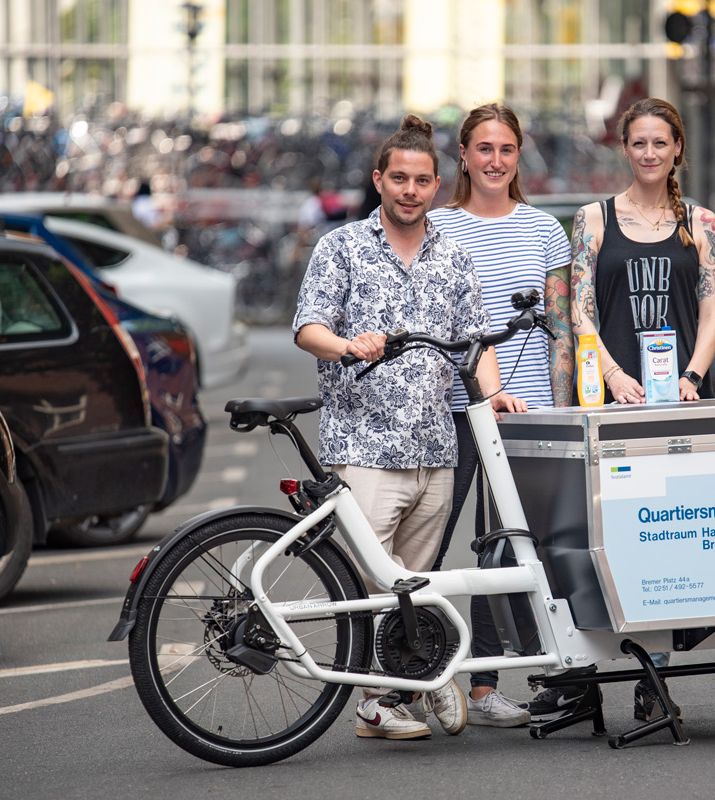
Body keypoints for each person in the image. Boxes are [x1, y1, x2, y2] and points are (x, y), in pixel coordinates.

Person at [293, 114, 525, 741]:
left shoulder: (452, 256)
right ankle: (385, 698)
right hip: (363, 448)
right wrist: (345, 345)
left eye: (422, 180)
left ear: (435, 183)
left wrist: (497, 394)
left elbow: (474, 343)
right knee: (376, 584)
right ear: (379, 180)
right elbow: (307, 327)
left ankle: (389, 700)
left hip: (434, 450)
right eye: (399, 178)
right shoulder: (341, 247)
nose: (410, 190)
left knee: (410, 588)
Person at [568, 97, 715, 721]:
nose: (650, 153)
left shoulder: (702, 223)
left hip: (681, 403)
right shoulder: (593, 219)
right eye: (639, 144)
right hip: (616, 405)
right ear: (624, 149)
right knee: (611, 540)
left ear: (677, 148)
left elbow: (711, 311)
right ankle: (587, 676)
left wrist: (692, 375)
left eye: (661, 143)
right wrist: (612, 374)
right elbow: (579, 310)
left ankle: (652, 674)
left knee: (674, 543)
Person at [426, 103, 572, 727]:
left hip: (526, 412)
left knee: (506, 554)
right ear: (463, 155)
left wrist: (565, 405)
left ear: (520, 155)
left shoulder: (545, 230)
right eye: (483, 149)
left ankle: (483, 687)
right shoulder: (433, 226)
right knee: (426, 548)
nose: (494, 160)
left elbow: (562, 328)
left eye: (506, 149)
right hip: (449, 411)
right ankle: (413, 678)